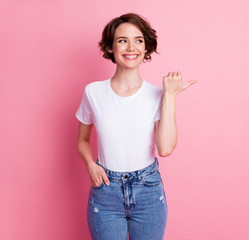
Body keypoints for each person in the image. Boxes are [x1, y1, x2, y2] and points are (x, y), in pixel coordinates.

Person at [75, 13, 196, 240]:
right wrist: (90, 164)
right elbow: (81, 140)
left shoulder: (157, 95)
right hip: (106, 190)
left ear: (146, 47)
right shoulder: (93, 92)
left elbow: (166, 148)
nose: (131, 47)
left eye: (138, 40)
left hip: (148, 190)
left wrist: (170, 96)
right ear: (110, 47)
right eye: (122, 40)